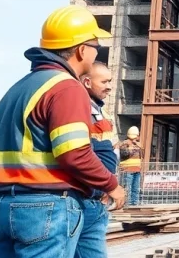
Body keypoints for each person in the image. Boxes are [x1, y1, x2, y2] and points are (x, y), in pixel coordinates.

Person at [0, 5, 125, 258]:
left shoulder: (18, 88)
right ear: (82, 49)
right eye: (96, 46)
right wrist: (111, 185)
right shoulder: (67, 87)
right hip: (42, 207)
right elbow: (74, 153)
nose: (96, 52)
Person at [76, 61, 117, 258]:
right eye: (104, 82)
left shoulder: (100, 112)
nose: (109, 87)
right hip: (85, 199)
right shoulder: (79, 109)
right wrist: (104, 186)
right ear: (87, 82)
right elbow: (81, 154)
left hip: (95, 197)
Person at [118, 127, 143, 206]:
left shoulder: (138, 145)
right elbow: (125, 154)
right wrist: (129, 146)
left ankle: (135, 204)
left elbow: (142, 155)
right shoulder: (124, 144)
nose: (138, 137)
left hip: (137, 170)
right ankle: (126, 204)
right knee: (127, 188)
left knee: (136, 189)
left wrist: (139, 146)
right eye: (138, 135)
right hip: (127, 170)